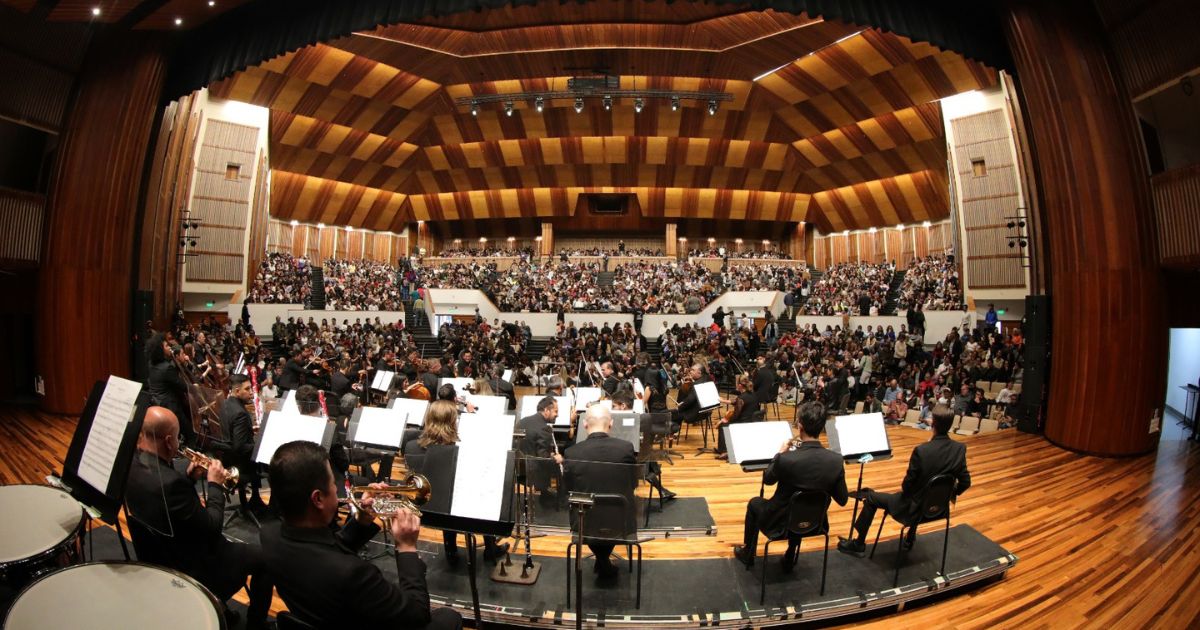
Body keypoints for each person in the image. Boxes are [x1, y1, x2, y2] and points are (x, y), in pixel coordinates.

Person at [260, 440, 462, 629]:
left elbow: (326, 550)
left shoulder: (269, 534)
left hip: (321, 613)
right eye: (333, 482)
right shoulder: (353, 574)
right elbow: (417, 615)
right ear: (318, 499)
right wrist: (406, 548)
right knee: (449, 617)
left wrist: (361, 520)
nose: (336, 488)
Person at [124, 407, 272, 629]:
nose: (179, 444)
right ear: (168, 441)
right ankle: (256, 625)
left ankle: (222, 610)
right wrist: (215, 485)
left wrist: (188, 478)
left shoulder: (132, 465)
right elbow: (212, 527)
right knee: (266, 558)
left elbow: (167, 501)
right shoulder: (171, 484)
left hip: (163, 553)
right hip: (197, 566)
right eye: (177, 438)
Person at [838, 404, 971, 556]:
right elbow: (965, 483)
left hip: (912, 511)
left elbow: (907, 487)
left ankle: (858, 544)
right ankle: (910, 537)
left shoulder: (922, 451)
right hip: (939, 510)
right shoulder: (959, 449)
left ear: (933, 422)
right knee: (921, 494)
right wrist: (944, 496)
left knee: (871, 497)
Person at [733, 402, 848, 569]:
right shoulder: (836, 460)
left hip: (779, 525)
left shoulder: (786, 459)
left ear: (800, 425)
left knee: (754, 503)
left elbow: (768, 479)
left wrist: (779, 454)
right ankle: (790, 555)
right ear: (822, 426)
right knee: (802, 505)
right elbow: (843, 500)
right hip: (815, 524)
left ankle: (748, 554)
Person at [403, 401, 509, 565]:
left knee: (444, 489)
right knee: (480, 490)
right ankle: (490, 548)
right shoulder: (462, 447)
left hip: (426, 508)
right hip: (458, 508)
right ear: (453, 421)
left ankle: (451, 550)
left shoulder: (410, 446)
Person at [559, 406, 638, 579]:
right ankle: (604, 561)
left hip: (585, 522)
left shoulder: (571, 452)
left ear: (585, 424)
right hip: (620, 520)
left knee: (587, 512)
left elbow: (568, 490)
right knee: (611, 514)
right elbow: (633, 483)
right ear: (611, 424)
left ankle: (602, 560)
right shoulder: (626, 448)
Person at [219, 374, 264, 513]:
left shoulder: (225, 404)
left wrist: (248, 429)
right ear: (237, 391)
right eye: (247, 389)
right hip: (239, 464)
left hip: (225, 458)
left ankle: (254, 499)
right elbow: (240, 447)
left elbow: (230, 429)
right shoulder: (241, 413)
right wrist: (260, 446)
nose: (251, 392)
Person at [518, 396, 561, 505]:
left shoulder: (523, 421)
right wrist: (554, 458)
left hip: (519, 472)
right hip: (535, 477)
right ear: (546, 410)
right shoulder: (544, 428)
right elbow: (543, 459)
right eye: (556, 411)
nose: (557, 415)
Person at [715, 375, 759, 459]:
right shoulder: (753, 394)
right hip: (751, 420)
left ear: (739, 385)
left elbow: (736, 415)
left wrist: (726, 420)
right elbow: (736, 402)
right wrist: (723, 400)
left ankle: (724, 451)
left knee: (722, 426)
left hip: (743, 423)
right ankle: (722, 450)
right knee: (724, 422)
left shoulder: (741, 398)